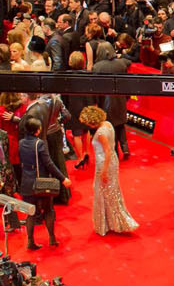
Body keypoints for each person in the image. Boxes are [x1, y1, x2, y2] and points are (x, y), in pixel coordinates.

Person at [80, 105, 138, 236]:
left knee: (104, 193)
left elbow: (106, 151)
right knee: (111, 192)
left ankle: (112, 223)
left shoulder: (100, 133)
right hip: (112, 161)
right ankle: (111, 222)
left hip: (104, 164)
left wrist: (104, 171)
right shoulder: (108, 124)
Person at [17, 116, 66, 249]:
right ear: (37, 130)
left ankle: (30, 241)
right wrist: (63, 178)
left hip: (26, 181)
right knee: (49, 210)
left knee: (30, 213)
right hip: (41, 181)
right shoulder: (40, 144)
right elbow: (49, 164)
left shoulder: (21, 143)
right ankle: (51, 238)